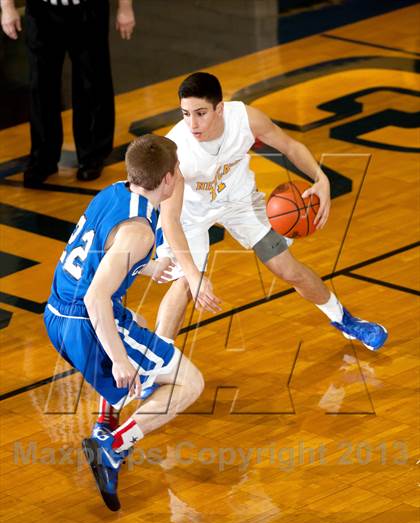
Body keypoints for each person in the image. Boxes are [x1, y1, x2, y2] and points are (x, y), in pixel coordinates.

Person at [155, 72, 388, 351]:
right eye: (185, 114)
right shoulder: (177, 150)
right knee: (185, 285)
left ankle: (345, 320)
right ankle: (153, 364)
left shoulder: (245, 119)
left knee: (287, 268)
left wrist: (320, 177)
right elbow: (169, 219)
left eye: (200, 113)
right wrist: (194, 275)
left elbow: (290, 146)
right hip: (190, 214)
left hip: (239, 201)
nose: (192, 123)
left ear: (220, 108)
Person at [44, 134, 206, 512]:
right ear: (167, 179)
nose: (178, 175)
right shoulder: (140, 231)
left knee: (139, 321)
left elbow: (100, 248)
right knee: (190, 382)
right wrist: (118, 359)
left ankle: (105, 419)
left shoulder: (114, 192)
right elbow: (95, 297)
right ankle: (114, 445)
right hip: (86, 322)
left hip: (57, 312)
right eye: (177, 170)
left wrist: (146, 267)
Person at [0, 0, 135, 186]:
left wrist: (125, 8)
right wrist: (7, 7)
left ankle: (92, 156)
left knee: (92, 82)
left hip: (88, 9)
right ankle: (43, 159)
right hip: (42, 10)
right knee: (41, 85)